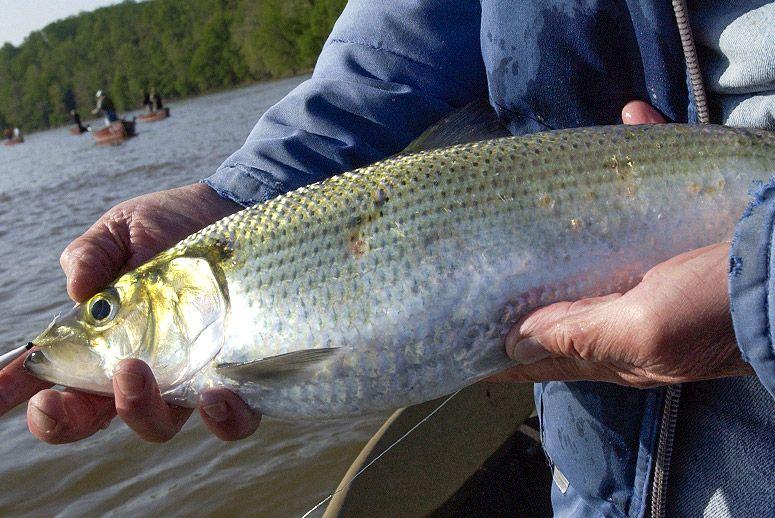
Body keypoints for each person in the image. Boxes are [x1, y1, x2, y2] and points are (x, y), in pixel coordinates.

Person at [0, 1, 772, 516]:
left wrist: (763, 289)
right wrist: (241, 190)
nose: (91, 324)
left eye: (104, 313)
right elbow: (407, 31)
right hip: (603, 454)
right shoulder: (212, 287)